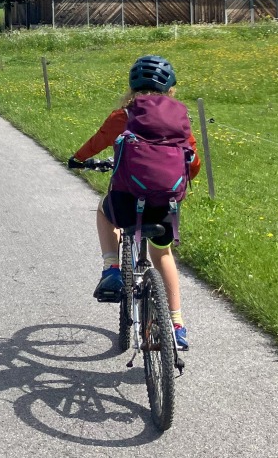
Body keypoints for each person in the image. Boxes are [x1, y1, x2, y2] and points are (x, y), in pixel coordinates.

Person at [67, 55, 201, 350]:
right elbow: (193, 163)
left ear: (132, 88)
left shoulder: (123, 116)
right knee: (163, 255)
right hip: (165, 205)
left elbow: (98, 140)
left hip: (128, 202)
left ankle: (112, 268)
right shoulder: (180, 119)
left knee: (104, 212)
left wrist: (78, 159)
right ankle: (177, 325)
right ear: (170, 90)